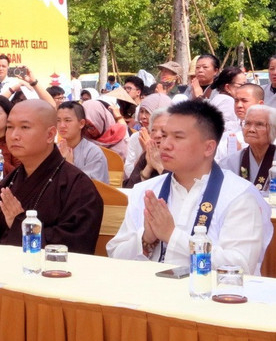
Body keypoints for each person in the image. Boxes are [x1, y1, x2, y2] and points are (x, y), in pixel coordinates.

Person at [107, 100, 272, 275]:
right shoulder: (146, 191)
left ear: (208, 147)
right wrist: (146, 239)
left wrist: (172, 236)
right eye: (164, 136)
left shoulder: (239, 196)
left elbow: (240, 267)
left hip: (207, 292)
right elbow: (114, 255)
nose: (165, 145)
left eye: (178, 137)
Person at [0, 100, 104, 254]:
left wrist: (20, 225)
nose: (14, 136)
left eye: (25, 127)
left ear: (50, 135)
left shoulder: (79, 187)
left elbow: (75, 246)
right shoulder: (8, 184)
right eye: (10, 127)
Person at [219, 105, 276, 189]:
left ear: (273, 129)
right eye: (247, 123)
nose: (251, 129)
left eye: (259, 124)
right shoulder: (228, 163)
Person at [56, 101, 109, 184]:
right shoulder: (53, 151)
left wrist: (69, 165)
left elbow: (90, 187)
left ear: (81, 123)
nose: (62, 125)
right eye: (58, 120)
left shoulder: (93, 153)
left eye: (67, 120)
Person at [124, 93, 172, 177]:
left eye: (148, 112)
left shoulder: (173, 141)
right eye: (141, 111)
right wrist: (144, 153)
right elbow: (129, 172)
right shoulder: (136, 137)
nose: (143, 116)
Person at [215, 83, 264, 161]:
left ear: (260, 104)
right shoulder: (226, 134)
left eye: (244, 101)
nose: (239, 105)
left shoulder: (269, 134)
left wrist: (240, 155)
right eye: (236, 101)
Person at [123, 108, 169, 188]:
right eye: (153, 130)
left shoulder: (179, 157)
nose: (157, 135)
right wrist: (148, 167)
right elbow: (129, 188)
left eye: (163, 131)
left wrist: (159, 166)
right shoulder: (149, 153)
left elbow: (176, 190)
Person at [207, 66, 245, 134]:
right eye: (241, 85)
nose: (245, 88)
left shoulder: (220, 98)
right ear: (227, 87)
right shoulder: (227, 101)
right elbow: (225, 128)